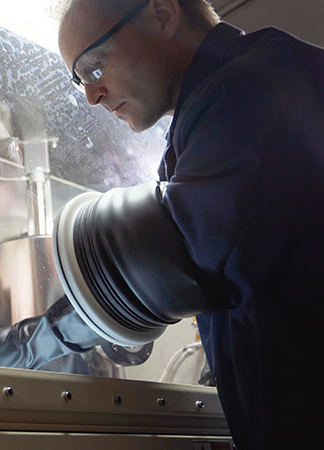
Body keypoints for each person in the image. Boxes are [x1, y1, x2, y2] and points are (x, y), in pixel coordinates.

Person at [54, 0, 324, 448]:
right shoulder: (221, 104)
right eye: (78, 79)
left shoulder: (251, 88)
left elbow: (176, 259)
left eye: (94, 66)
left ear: (162, 13)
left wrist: (28, 344)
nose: (91, 95)